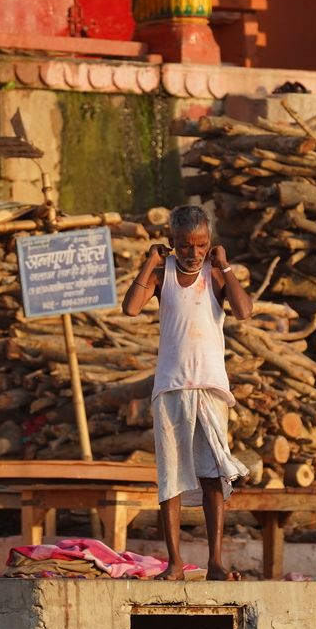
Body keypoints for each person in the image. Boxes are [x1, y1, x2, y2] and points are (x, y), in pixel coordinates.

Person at [121, 205, 253, 580]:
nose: (193, 253)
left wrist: (225, 265)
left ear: (210, 244)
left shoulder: (215, 277)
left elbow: (244, 311)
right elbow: (131, 308)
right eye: (184, 246)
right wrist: (150, 263)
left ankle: (215, 561)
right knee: (172, 476)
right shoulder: (162, 277)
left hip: (210, 387)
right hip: (171, 387)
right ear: (172, 244)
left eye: (201, 245)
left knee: (212, 474)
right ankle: (174, 562)